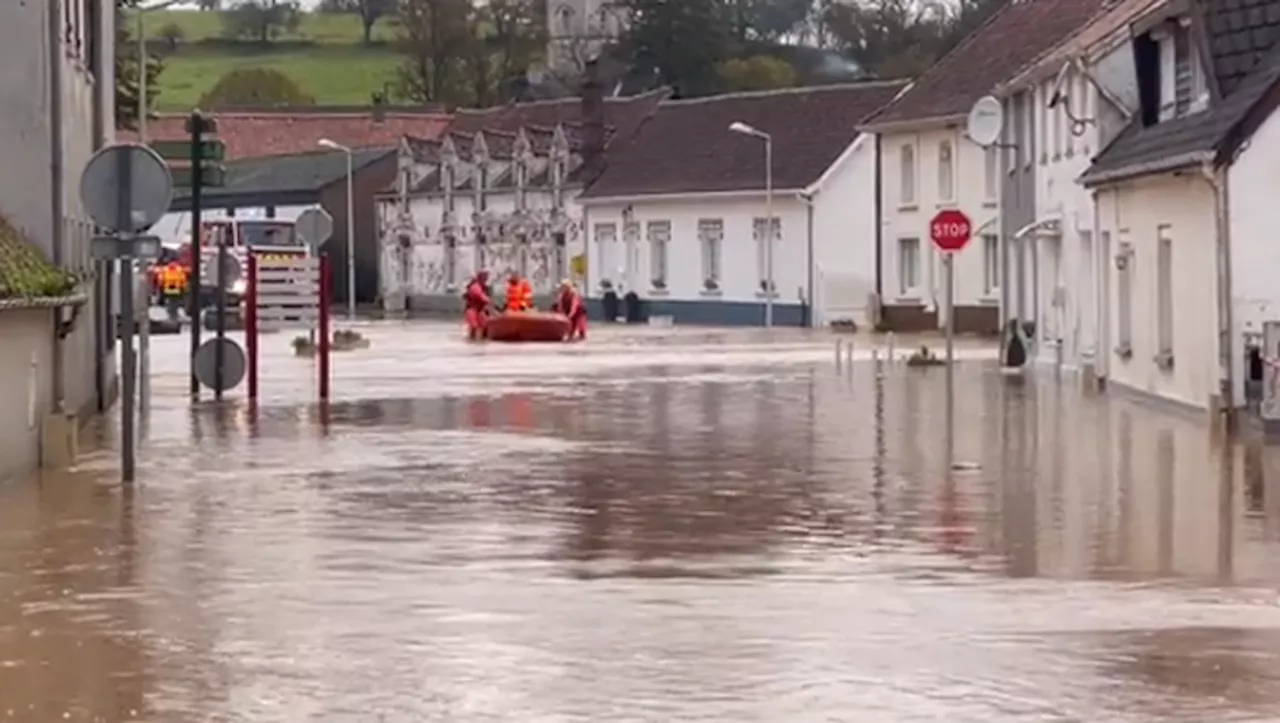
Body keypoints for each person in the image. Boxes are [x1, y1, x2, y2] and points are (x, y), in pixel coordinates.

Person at [463, 270, 492, 339]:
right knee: (474, 327)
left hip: (480, 310)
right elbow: (481, 296)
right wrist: (487, 300)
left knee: (485, 326)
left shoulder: (485, 287)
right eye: (485, 277)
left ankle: (483, 342)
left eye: (486, 277)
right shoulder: (475, 286)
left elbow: (487, 299)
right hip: (472, 309)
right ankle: (472, 341)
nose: (486, 279)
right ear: (480, 277)